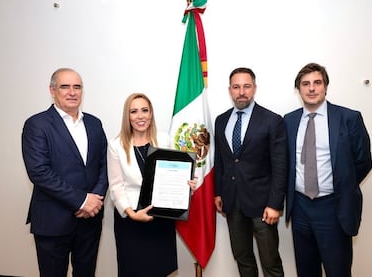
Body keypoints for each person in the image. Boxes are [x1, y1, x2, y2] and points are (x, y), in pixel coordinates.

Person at [284, 62, 372, 277]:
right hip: (300, 208)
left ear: (325, 86)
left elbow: (363, 161)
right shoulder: (289, 121)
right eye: (305, 84)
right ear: (298, 90)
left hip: (333, 208)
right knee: (306, 271)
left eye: (317, 82)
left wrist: (341, 185)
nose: (311, 88)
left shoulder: (348, 118)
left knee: (338, 271)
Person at [21, 68, 108, 277]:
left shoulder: (94, 124)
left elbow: (105, 165)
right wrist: (82, 201)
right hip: (53, 221)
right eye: (65, 86)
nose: (72, 92)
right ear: (52, 90)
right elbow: (39, 172)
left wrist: (93, 201)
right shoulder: (37, 124)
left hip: (90, 221)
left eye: (77, 87)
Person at [107, 93, 196, 277]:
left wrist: (186, 185)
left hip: (160, 220)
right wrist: (132, 214)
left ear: (151, 114)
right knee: (134, 270)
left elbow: (174, 175)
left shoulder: (164, 140)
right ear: (127, 116)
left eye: (144, 110)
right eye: (134, 111)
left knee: (162, 270)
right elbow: (116, 187)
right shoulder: (116, 145)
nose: (140, 116)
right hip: (131, 220)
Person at [214, 67, 287, 277]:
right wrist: (219, 192)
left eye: (246, 86)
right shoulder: (221, 120)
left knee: (270, 262)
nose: (241, 92)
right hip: (232, 202)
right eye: (236, 87)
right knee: (242, 258)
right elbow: (221, 160)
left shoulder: (272, 120)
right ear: (230, 90)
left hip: (263, 206)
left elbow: (280, 166)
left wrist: (275, 204)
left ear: (254, 88)